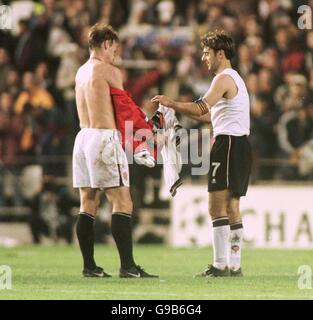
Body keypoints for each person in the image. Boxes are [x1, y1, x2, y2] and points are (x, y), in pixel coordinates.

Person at [152, 30, 251, 277]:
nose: (203, 57)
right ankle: (234, 265)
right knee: (232, 206)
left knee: (216, 207)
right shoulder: (234, 78)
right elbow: (208, 115)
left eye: (207, 53)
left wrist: (171, 103)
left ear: (220, 53)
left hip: (227, 144)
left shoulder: (223, 79)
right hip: (240, 145)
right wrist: (181, 110)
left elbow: (201, 107)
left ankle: (219, 266)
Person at [73, 22, 158, 278]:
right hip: (103, 138)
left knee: (87, 203)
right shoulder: (109, 70)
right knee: (123, 201)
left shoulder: (81, 71)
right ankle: (128, 267)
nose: (115, 55)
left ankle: (89, 266)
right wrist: (141, 139)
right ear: (107, 43)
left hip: (82, 138)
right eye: (114, 49)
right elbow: (124, 110)